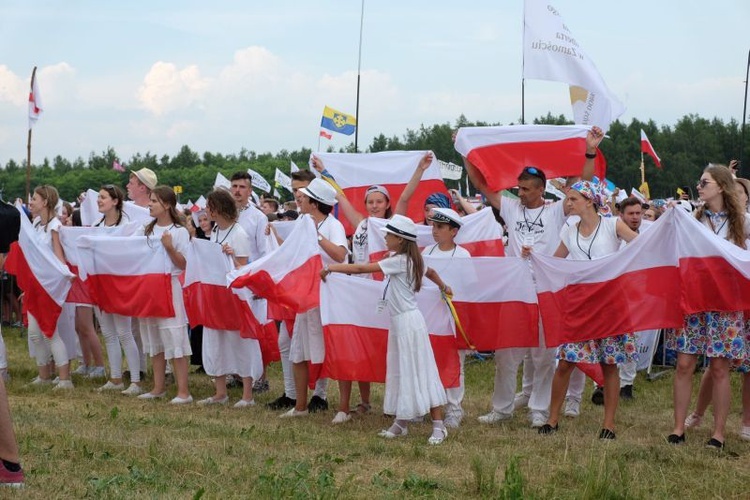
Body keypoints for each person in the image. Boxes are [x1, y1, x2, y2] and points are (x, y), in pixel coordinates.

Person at [466, 126, 603, 428]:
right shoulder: (512, 208)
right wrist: (466, 149)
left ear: (541, 189)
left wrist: (590, 150)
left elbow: (584, 182)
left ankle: (539, 409)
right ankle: (501, 409)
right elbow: (481, 183)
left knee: (543, 355)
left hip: (546, 291)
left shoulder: (557, 211)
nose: (520, 193)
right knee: (506, 355)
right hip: (515, 291)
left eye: (527, 188)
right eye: (519, 188)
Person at [321, 214, 450, 445]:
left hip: (408, 323)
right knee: (403, 370)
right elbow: (430, 273)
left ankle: (438, 426)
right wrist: (443, 286)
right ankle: (402, 421)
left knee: (420, 371)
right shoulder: (412, 259)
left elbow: (362, 267)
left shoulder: (399, 260)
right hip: (403, 323)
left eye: (389, 234)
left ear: (400, 239)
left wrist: (331, 268)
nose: (385, 237)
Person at [534, 181, 638, 439]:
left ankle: (609, 425)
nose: (568, 203)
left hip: (609, 303)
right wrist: (533, 256)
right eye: (567, 199)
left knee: (609, 364)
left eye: (573, 198)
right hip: (579, 303)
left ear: (589, 201)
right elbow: (555, 262)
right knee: (566, 362)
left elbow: (639, 245)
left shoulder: (613, 224)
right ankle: (552, 419)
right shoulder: (569, 231)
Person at [667, 164, 750, 449]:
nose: (699, 187)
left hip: (726, 306)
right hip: (694, 301)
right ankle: (678, 428)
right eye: (700, 182)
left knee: (719, 369)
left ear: (722, 186)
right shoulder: (692, 219)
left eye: (704, 183)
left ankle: (719, 434)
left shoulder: (744, 221)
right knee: (684, 364)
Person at [310, 156, 393, 422]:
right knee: (352, 344)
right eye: (370, 202)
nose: (374, 206)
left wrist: (419, 171)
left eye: (379, 201)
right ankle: (348, 405)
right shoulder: (361, 224)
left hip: (384, 293)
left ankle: (396, 403)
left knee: (384, 347)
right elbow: (341, 197)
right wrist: (325, 173)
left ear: (388, 204)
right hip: (357, 290)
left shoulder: (395, 225)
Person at [278, 178, 348, 418]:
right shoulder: (303, 222)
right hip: (306, 298)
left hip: (328, 298)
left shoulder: (333, 225)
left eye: (305, 197)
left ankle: (343, 408)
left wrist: (316, 236)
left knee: (334, 351)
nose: (301, 200)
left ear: (315, 203)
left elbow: (340, 254)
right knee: (298, 351)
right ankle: (300, 407)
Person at [266, 169, 328, 412]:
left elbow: (338, 253)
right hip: (300, 289)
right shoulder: (302, 220)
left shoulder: (325, 222)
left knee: (316, 344)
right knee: (289, 343)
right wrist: (274, 236)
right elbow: (291, 251)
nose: (298, 195)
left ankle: (319, 395)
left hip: (318, 290)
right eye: (294, 190)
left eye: (302, 190)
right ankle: (292, 394)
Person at [197, 189, 263, 408]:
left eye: (209, 205)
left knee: (239, 342)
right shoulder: (215, 231)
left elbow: (243, 269)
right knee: (216, 341)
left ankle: (247, 394)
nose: (206, 209)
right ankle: (220, 391)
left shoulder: (239, 233)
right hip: (216, 295)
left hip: (234, 297)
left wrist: (231, 256)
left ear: (219, 208)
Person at [136, 186, 193, 404]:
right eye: (150, 200)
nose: (149, 204)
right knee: (154, 338)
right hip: (149, 288)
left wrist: (169, 248)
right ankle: (158, 387)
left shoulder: (178, 231)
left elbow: (183, 263)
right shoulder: (145, 230)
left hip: (170, 287)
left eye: (154, 201)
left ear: (167, 205)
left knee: (173, 337)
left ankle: (183, 391)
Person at [422, 208, 471, 428]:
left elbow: (471, 287)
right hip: (430, 317)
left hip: (452, 317)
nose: (435, 231)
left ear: (453, 231)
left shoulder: (463, 256)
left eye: (440, 227)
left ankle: (454, 407)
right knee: (428, 361)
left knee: (454, 362)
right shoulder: (426, 253)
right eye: (433, 226)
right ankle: (428, 404)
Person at [92, 185, 142, 395]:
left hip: (120, 285)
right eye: (99, 198)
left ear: (115, 201)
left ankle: (136, 381)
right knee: (109, 334)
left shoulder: (127, 226)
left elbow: (131, 254)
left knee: (124, 332)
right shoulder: (95, 225)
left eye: (103, 197)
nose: (99, 201)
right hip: (101, 284)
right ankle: (115, 378)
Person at [26, 185, 74, 389]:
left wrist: (63, 280)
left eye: (34, 199)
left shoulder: (55, 226)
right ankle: (44, 375)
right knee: (35, 333)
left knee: (50, 332)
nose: (31, 203)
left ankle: (65, 379)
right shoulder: (36, 224)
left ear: (45, 202)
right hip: (35, 285)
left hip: (49, 288)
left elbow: (59, 258)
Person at [230, 172, 271, 394]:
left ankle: (261, 378)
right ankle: (238, 373)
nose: (237, 190)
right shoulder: (225, 216)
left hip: (252, 281)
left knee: (257, 330)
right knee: (236, 329)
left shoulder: (258, 217)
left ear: (249, 190)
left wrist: (259, 284)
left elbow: (264, 253)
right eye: (234, 186)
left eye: (242, 187)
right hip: (232, 280)